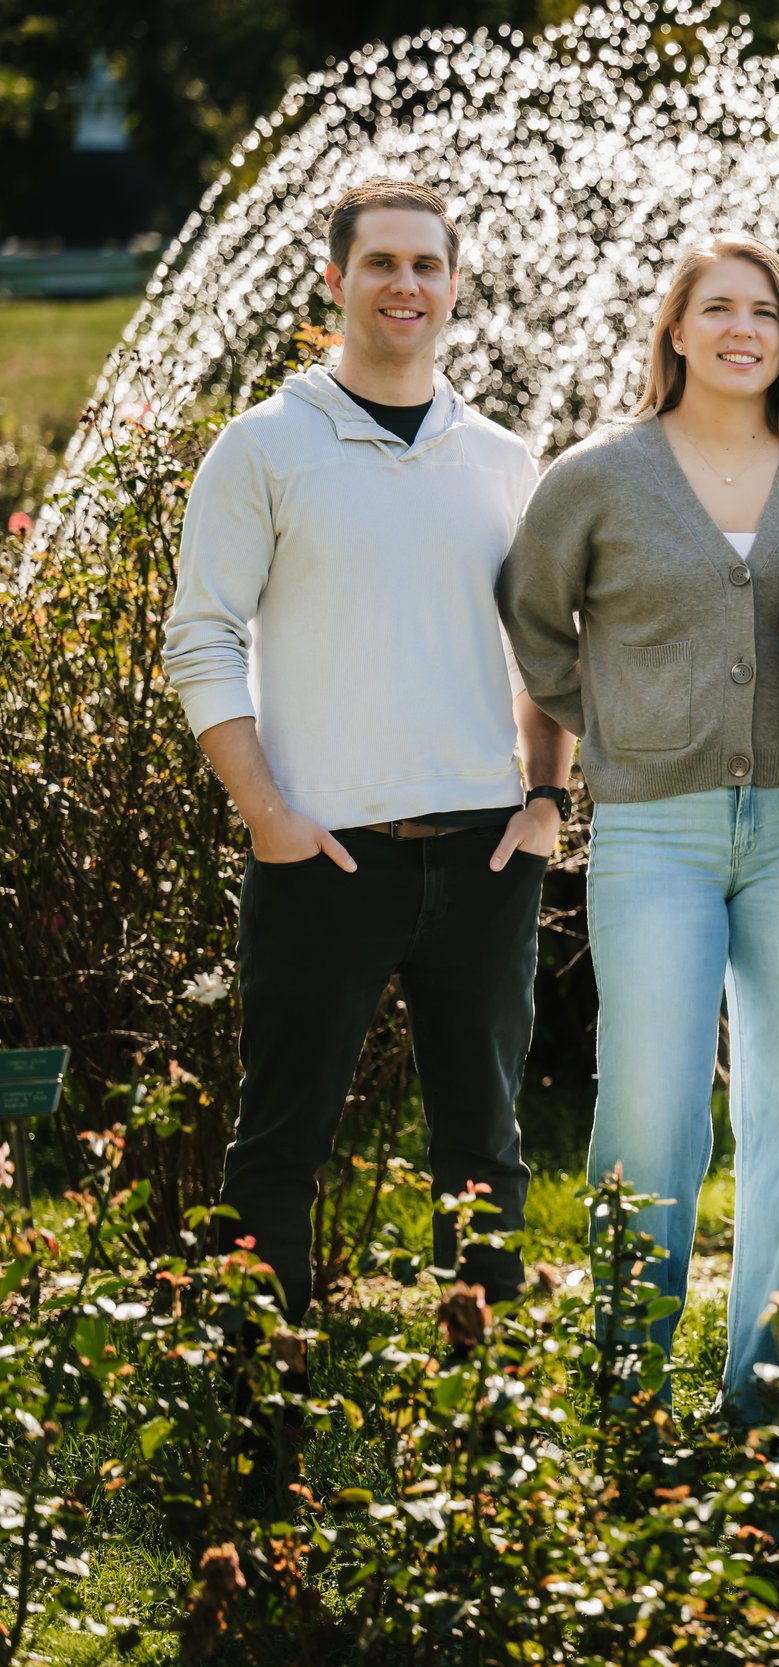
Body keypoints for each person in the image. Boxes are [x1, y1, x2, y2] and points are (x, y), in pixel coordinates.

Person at [165, 179, 564, 1345]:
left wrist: (546, 798)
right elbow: (201, 634)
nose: (406, 285)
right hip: (320, 855)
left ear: (454, 286)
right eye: (381, 263)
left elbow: (550, 649)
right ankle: (256, 1388)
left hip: (486, 853)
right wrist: (267, 813)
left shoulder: (503, 458)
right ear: (335, 281)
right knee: (279, 1141)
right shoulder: (265, 446)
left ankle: (483, 1404)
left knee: (484, 1149)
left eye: (427, 265)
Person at [498, 235, 779, 1424]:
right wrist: (614, 721)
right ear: (675, 328)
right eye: (718, 308)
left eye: (765, 310)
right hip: (653, 829)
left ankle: (776, 1386)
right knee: (649, 1105)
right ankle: (626, 1384)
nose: (742, 328)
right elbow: (532, 623)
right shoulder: (598, 476)